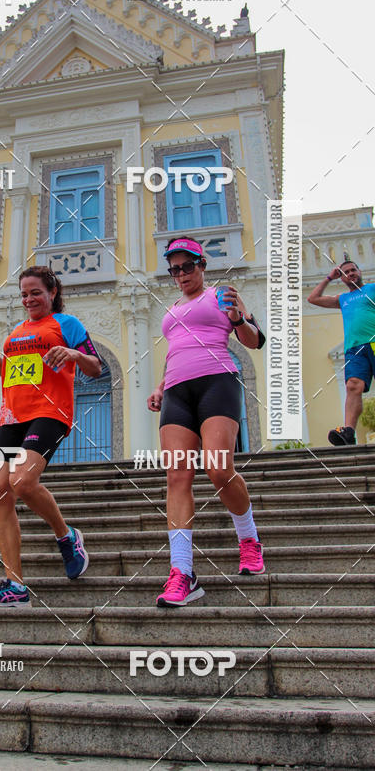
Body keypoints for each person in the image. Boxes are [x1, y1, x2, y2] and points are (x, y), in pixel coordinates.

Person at [0, 265, 102, 606]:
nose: (29, 299)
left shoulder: (66, 324)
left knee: (23, 482)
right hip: (12, 416)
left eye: (36, 293)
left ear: (52, 293)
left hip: (50, 412)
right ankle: (15, 587)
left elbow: (96, 366)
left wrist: (74, 353)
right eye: (24, 294)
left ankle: (67, 536)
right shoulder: (15, 332)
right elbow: (10, 374)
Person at [147, 237, 266, 607]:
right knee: (177, 476)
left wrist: (238, 319)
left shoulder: (221, 295)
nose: (181, 274)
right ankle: (182, 571)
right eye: (174, 269)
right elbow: (177, 350)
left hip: (218, 382)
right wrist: (161, 385)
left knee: (218, 469)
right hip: (177, 392)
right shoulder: (172, 310)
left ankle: (248, 539)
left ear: (201, 265)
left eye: (187, 266)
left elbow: (254, 340)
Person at [307, 258, 375, 445]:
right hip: (354, 348)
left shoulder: (371, 289)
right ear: (342, 278)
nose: (351, 273)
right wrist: (329, 277)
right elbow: (312, 298)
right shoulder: (342, 299)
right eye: (346, 272)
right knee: (353, 385)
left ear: (359, 272)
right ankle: (348, 432)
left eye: (354, 270)